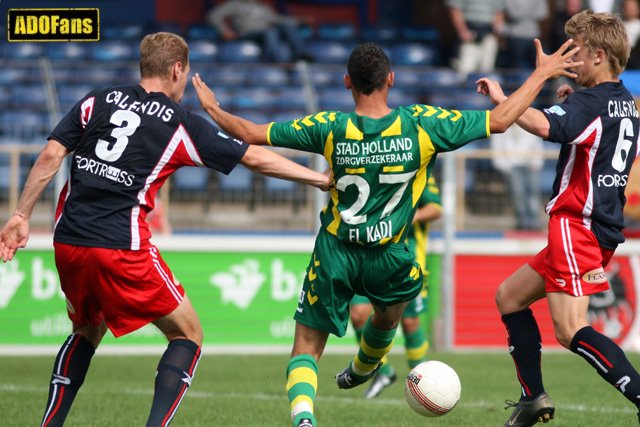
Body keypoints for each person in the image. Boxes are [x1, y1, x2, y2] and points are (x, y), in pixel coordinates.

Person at [192, 39, 581, 427]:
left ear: (347, 81)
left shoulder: (329, 127)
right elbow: (499, 121)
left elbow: (251, 133)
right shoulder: (421, 124)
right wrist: (541, 73)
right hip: (390, 254)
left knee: (306, 349)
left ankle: (306, 420)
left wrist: (211, 108)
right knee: (388, 318)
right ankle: (365, 367)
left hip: (336, 251)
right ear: (390, 79)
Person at [0, 32, 330, 427]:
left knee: (86, 330)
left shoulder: (97, 99)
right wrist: (319, 180)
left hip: (68, 240)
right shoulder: (179, 123)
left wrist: (20, 216)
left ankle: (49, 423)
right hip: (123, 246)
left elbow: (52, 154)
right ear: (177, 70)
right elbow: (254, 158)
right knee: (188, 334)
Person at [477, 10, 640, 426]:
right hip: (596, 228)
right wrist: (572, 98)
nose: (569, 60)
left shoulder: (590, 102)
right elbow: (589, 132)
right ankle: (533, 398)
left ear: (600, 55)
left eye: (576, 53)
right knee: (509, 297)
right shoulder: (625, 101)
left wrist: (504, 100)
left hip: (576, 226)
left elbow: (543, 125)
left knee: (570, 330)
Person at [349, 175, 442, 399]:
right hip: (368, 256)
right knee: (359, 313)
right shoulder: (366, 162)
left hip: (408, 260)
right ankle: (382, 371)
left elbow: (435, 208)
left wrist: (407, 216)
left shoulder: (418, 163)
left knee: (409, 322)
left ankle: (421, 381)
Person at [207, 0, 307, 63]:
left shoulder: (262, 6)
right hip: (246, 33)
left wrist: (300, 20)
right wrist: (224, 30)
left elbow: (278, 19)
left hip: (265, 32)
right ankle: (276, 62)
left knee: (287, 26)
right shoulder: (235, 4)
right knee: (270, 31)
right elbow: (214, 15)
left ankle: (301, 55)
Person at [490, 123, 545, 231]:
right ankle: (522, 221)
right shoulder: (501, 127)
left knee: (533, 193)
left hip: (530, 164)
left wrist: (536, 162)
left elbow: (536, 144)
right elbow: (496, 148)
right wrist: (505, 166)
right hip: (511, 165)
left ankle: (533, 222)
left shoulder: (528, 124)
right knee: (517, 193)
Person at [446, 0, 505, 76]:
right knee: (465, 71)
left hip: (488, 34)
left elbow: (499, 11)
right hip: (469, 34)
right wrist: (463, 31)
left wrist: (497, 31)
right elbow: (455, 10)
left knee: (486, 71)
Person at [501, 0, 549, 69]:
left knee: (540, 66)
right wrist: (531, 9)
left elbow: (543, 13)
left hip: (534, 35)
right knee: (515, 68)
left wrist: (522, 10)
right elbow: (513, 13)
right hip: (516, 36)